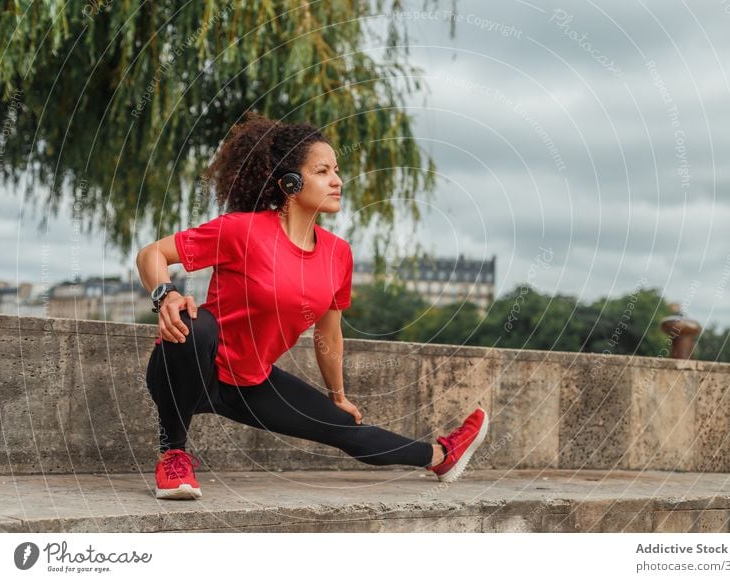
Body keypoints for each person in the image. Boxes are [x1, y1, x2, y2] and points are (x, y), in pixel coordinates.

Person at [136, 113, 488, 500]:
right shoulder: (242, 230)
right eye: (323, 171)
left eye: (336, 170)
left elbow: (329, 333)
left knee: (343, 425)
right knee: (194, 321)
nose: (337, 180)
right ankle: (173, 454)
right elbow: (152, 254)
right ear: (290, 182)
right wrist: (164, 294)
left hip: (251, 382)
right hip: (190, 366)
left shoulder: (338, 255)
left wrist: (336, 395)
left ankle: (440, 456)